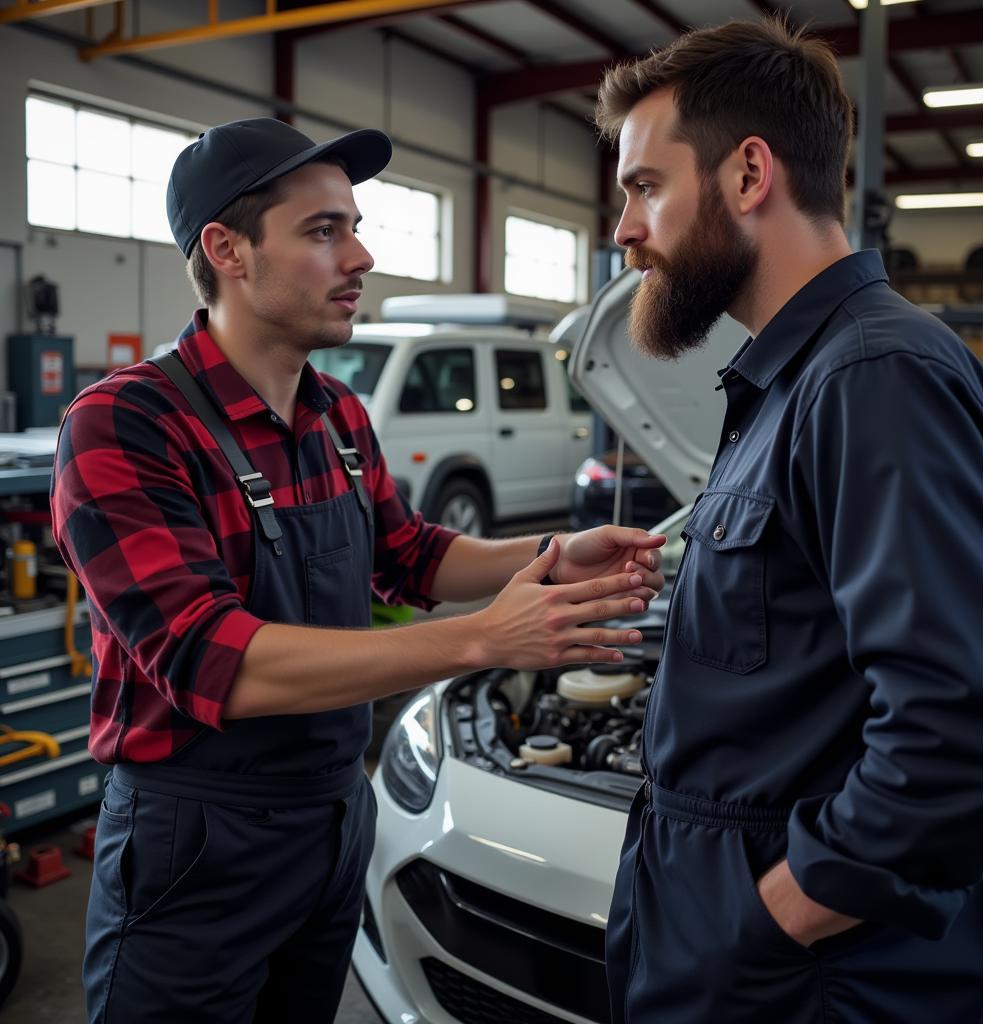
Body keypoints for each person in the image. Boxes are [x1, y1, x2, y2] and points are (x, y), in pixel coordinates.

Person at [50, 116, 666, 1023]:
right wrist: (480, 640)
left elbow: (411, 556)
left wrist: (549, 557)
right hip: (197, 842)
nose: (363, 255)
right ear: (226, 249)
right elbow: (215, 658)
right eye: (323, 231)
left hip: (335, 817)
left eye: (356, 225)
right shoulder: (124, 427)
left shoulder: (336, 415)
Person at [594, 18, 983, 1024]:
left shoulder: (873, 376)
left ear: (750, 174)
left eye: (645, 186)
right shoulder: (794, 380)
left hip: (810, 984)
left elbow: (957, 731)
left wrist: (763, 919)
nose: (623, 229)